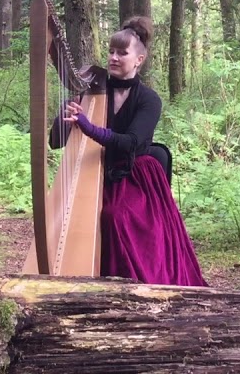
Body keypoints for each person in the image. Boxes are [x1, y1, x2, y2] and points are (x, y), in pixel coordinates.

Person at [61, 16, 208, 287]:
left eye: (122, 53)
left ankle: (128, 287)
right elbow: (55, 142)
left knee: (116, 215)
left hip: (135, 172)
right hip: (96, 168)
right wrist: (65, 111)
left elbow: (132, 143)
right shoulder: (94, 91)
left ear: (138, 60)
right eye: (111, 51)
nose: (114, 58)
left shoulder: (149, 100)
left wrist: (88, 127)